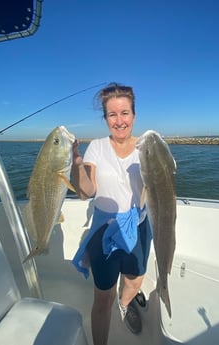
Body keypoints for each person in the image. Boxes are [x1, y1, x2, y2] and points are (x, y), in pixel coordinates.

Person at [71, 82, 152, 345]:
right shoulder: (96, 147)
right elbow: (86, 191)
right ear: (105, 118)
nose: (119, 121)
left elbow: (159, 190)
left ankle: (125, 304)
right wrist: (77, 165)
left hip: (138, 225)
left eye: (125, 113)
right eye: (112, 115)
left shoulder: (147, 147)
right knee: (103, 296)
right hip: (105, 229)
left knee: (135, 279)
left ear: (134, 115)